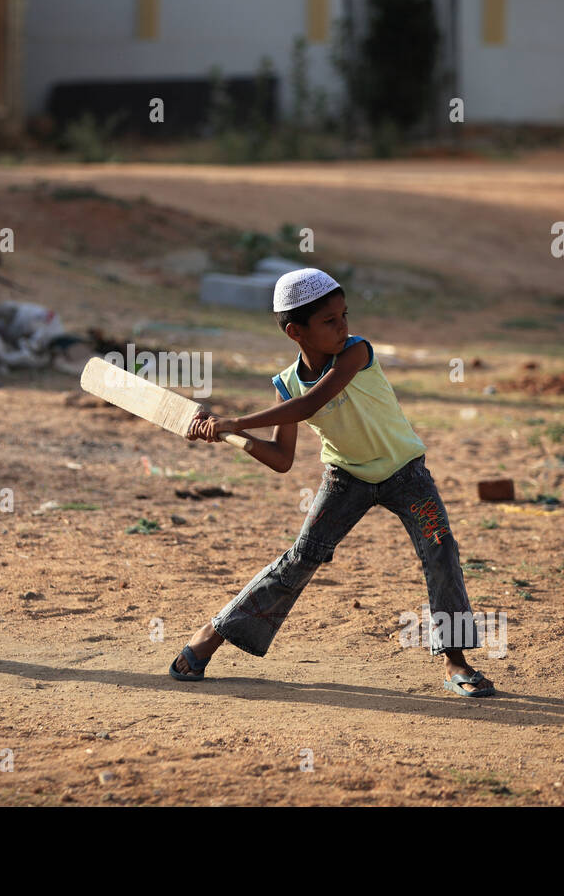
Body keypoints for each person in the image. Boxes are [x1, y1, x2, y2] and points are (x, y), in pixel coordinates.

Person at [170, 267, 495, 697]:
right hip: (346, 480)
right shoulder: (285, 385)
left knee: (441, 549)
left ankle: (455, 661)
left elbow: (313, 402)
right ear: (295, 332)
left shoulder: (356, 353)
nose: (343, 326)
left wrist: (233, 419)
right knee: (301, 558)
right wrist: (232, 437)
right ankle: (211, 635)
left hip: (407, 473)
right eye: (329, 321)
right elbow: (281, 459)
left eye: (344, 315)